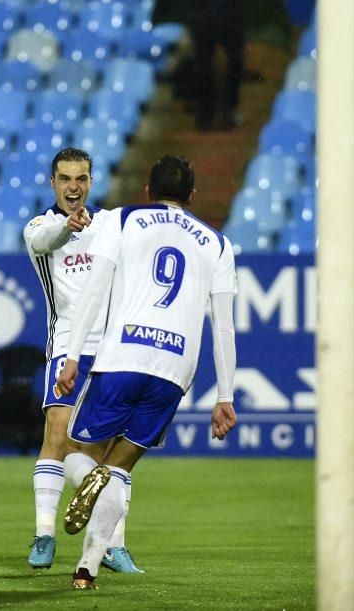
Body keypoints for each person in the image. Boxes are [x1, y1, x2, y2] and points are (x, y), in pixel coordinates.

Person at [54, 154, 238, 590]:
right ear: (192, 196)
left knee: (73, 453)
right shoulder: (217, 243)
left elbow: (95, 290)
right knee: (121, 468)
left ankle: (89, 479)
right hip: (174, 370)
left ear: (148, 192)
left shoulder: (122, 219)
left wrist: (73, 355)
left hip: (123, 356)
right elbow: (225, 325)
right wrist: (225, 396)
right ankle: (86, 572)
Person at [23, 147, 142, 574]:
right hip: (68, 345)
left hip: (111, 349)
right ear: (53, 182)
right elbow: (45, 241)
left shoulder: (110, 224)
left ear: (91, 182)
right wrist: (67, 229)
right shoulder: (40, 227)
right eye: (65, 179)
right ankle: (44, 534)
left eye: (81, 179)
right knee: (57, 433)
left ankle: (112, 544)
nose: (74, 187)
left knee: (111, 450)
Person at [188, 0, 246, 131]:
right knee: (203, 67)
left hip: (228, 14)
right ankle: (206, 115)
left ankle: (226, 110)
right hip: (205, 15)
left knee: (235, 61)